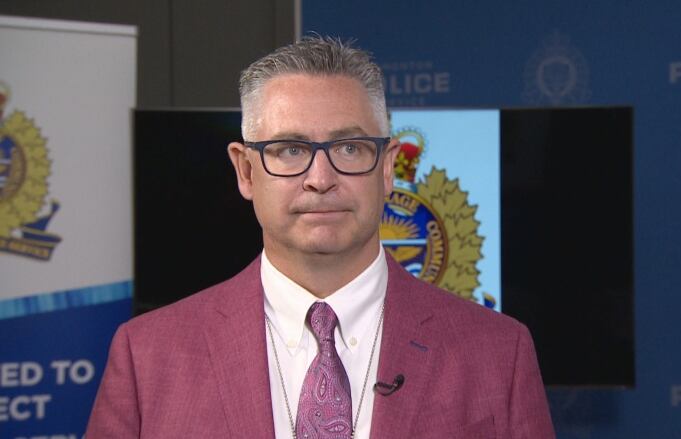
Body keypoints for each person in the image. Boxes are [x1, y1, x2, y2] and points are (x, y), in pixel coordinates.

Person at [86, 36, 555, 439]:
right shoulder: (147, 357)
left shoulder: (498, 354)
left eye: (349, 148)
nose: (321, 177)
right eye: (290, 150)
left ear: (389, 167)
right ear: (246, 171)